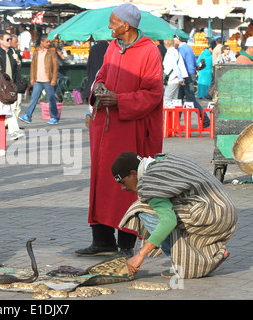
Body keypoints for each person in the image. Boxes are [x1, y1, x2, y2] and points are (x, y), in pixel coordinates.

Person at [75, 4, 163, 257]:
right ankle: (102, 239)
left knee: (127, 181)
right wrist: (99, 86)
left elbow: (153, 93)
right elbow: (101, 74)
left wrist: (120, 101)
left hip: (131, 128)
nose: (110, 26)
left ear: (126, 25)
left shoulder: (149, 52)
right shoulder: (112, 47)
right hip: (104, 127)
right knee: (101, 182)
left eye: (113, 22)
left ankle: (126, 243)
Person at [112, 151, 237, 279]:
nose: (123, 188)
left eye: (123, 182)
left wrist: (140, 255)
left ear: (133, 174)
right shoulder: (162, 160)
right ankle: (210, 253)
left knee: (140, 209)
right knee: (161, 208)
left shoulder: (150, 182)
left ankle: (188, 263)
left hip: (212, 213)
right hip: (224, 209)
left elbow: (168, 221)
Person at [19, 34, 59, 125]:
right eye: (47, 42)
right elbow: (33, 65)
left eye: (49, 42)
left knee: (51, 98)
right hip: (38, 79)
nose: (48, 43)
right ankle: (28, 116)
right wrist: (32, 78)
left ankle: (54, 117)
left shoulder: (51, 52)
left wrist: (54, 79)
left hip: (48, 79)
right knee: (33, 98)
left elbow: (55, 66)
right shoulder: (36, 51)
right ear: (41, 42)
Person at [0, 32, 24, 140]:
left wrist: (17, 60)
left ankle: (12, 131)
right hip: (1, 85)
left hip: (12, 84)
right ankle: (10, 131)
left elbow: (19, 67)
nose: (10, 41)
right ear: (1, 41)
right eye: (7, 40)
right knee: (4, 109)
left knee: (11, 108)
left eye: (10, 39)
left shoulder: (14, 51)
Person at [175, 36, 210, 128]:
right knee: (181, 99)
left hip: (185, 76)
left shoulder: (181, 49)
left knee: (189, 99)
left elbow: (180, 64)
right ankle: (176, 121)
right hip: (190, 74)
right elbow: (195, 63)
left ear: (178, 39)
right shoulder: (189, 48)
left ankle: (205, 118)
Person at [83, 40, 109, 127]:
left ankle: (89, 113)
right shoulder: (109, 48)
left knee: (94, 93)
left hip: (94, 74)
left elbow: (89, 64)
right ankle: (91, 114)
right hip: (105, 73)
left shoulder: (93, 48)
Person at [163, 38, 187, 105]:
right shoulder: (176, 52)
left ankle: (166, 115)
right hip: (175, 78)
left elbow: (175, 66)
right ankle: (174, 115)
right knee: (174, 99)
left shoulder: (170, 53)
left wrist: (180, 78)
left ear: (166, 44)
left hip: (172, 78)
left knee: (167, 99)